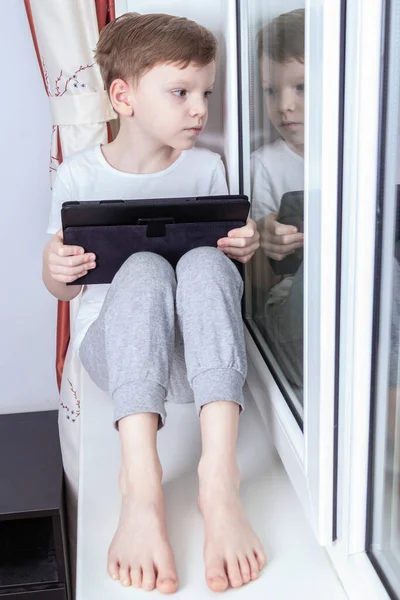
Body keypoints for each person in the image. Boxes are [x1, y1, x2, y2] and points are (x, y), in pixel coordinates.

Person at [42, 12, 265, 595]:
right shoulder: (79, 175)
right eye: (181, 92)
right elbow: (64, 290)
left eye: (206, 93)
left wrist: (244, 248)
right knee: (142, 268)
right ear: (124, 96)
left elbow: (219, 280)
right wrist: (55, 270)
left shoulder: (205, 168)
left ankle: (219, 479)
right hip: (120, 362)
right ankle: (140, 486)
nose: (200, 110)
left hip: (197, 364)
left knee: (203, 262)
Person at [251, 8, 305, 390]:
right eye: (271, 91)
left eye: (301, 87)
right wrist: (261, 235)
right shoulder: (265, 165)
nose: (284, 105)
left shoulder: (376, 157)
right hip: (294, 300)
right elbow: (257, 282)